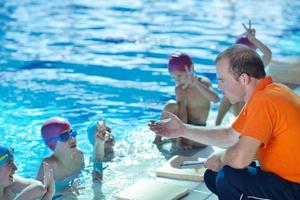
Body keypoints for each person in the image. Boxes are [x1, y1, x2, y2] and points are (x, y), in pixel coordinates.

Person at [149, 45, 300, 199]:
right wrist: (182, 130)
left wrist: (221, 157)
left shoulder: (264, 101)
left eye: (222, 80)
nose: (219, 87)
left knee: (228, 177)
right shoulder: (271, 91)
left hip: (295, 187)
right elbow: (230, 135)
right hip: (286, 179)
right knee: (213, 176)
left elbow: (241, 159)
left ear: (244, 79)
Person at [153, 52, 219, 149]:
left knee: (208, 142)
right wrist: (180, 140)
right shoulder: (180, 89)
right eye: (174, 77)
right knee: (171, 105)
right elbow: (182, 114)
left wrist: (197, 84)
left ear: (191, 68)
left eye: (179, 76)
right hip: (184, 127)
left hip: (198, 128)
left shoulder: (204, 82)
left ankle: (175, 138)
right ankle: (158, 138)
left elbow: (215, 99)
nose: (177, 80)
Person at [215, 20, 272, 125]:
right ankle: (217, 122)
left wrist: (253, 40)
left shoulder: (254, 68)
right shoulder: (233, 68)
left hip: (249, 109)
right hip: (238, 107)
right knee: (228, 92)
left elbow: (268, 54)